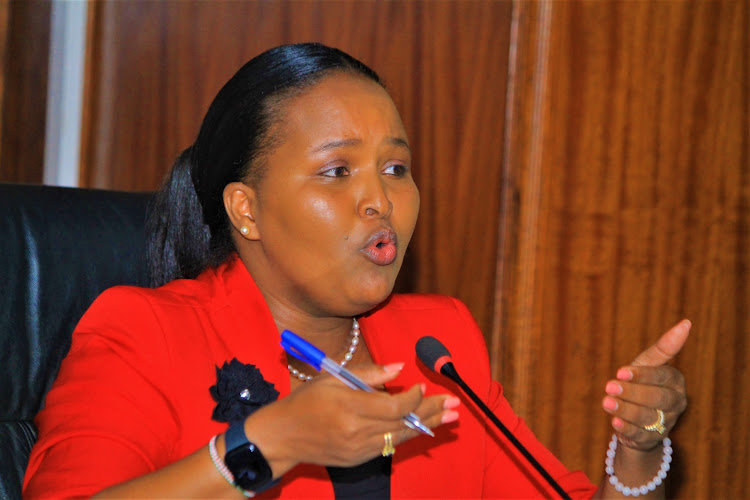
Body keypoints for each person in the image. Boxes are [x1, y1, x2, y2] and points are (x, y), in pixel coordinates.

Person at [23, 43, 688, 499]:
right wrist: (265, 445)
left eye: (395, 169)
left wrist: (638, 447)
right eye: (337, 171)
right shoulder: (141, 332)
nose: (380, 200)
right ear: (245, 209)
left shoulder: (439, 344)